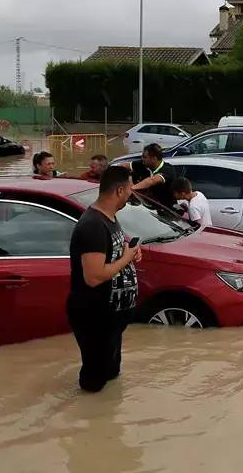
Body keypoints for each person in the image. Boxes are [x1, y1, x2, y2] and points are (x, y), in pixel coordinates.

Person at [66, 165, 142, 393]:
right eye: (130, 189)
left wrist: (129, 250)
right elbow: (93, 276)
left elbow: (112, 255)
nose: (132, 193)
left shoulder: (108, 219)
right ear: (119, 191)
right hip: (94, 315)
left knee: (111, 373)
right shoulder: (93, 226)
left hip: (111, 316)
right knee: (94, 382)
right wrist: (126, 258)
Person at [129, 144, 177, 208]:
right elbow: (124, 166)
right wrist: (128, 176)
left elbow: (152, 180)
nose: (142, 159)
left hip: (166, 211)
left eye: (144, 157)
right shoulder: (144, 164)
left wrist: (131, 189)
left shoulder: (168, 169)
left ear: (154, 159)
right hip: (148, 208)